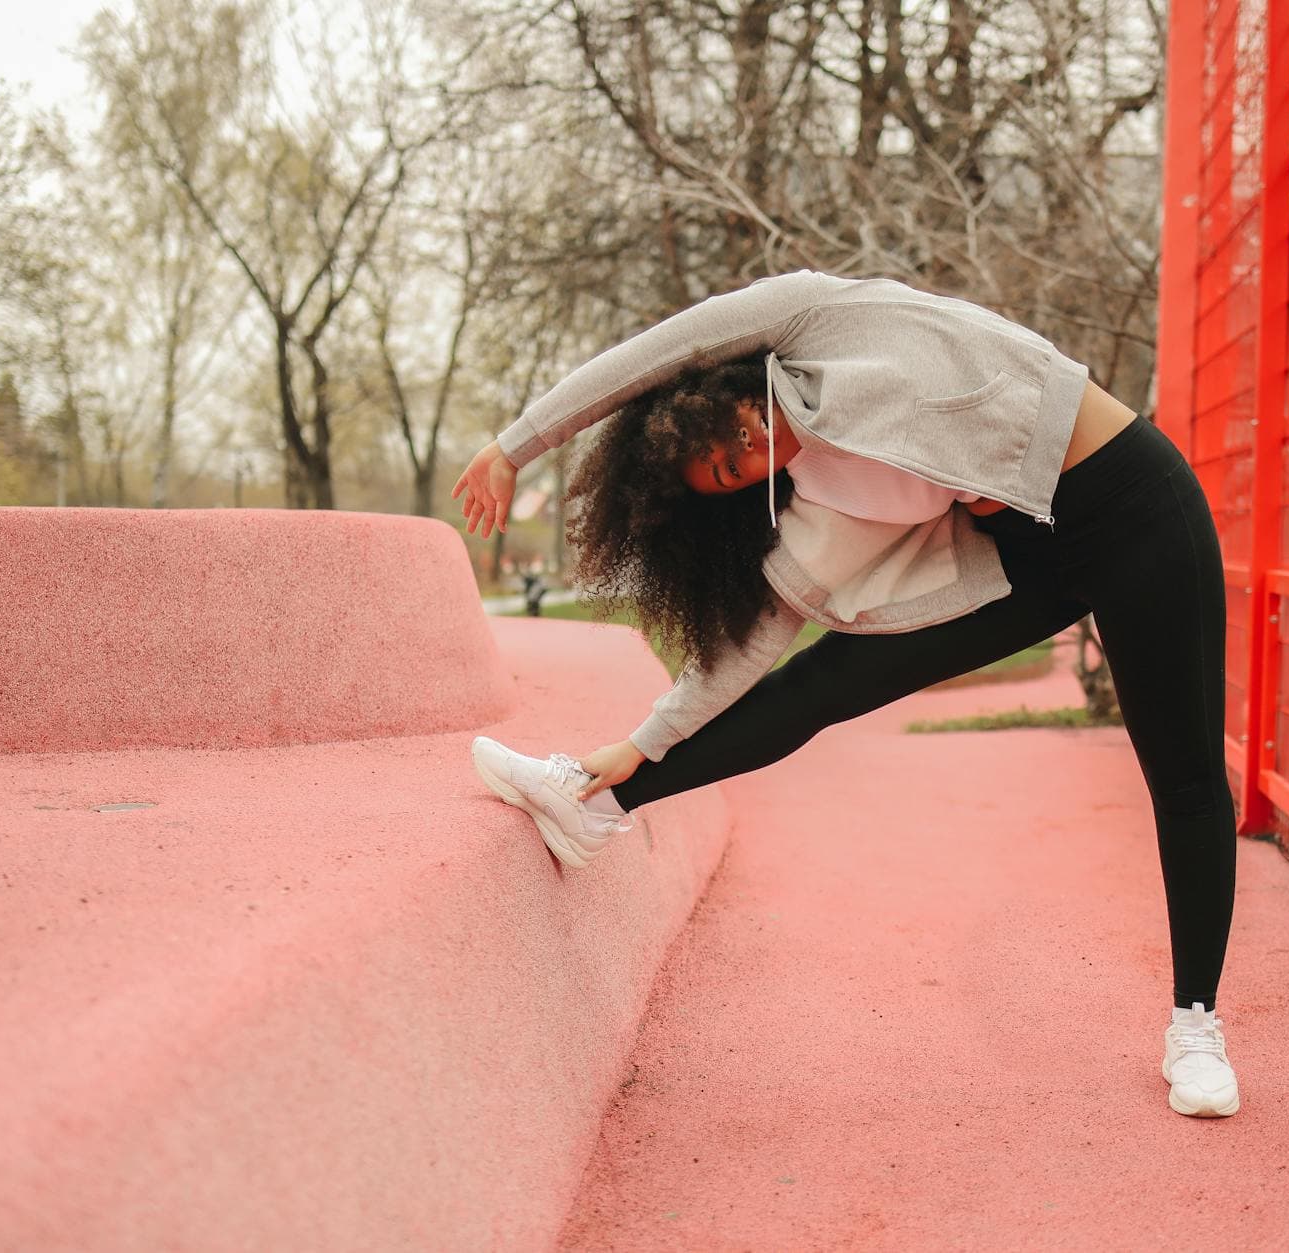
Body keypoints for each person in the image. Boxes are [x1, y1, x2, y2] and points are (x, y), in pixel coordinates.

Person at [452, 270, 1241, 1118]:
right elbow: (744, 647)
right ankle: (598, 804)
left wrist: (517, 444)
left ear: (715, 395)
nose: (748, 459)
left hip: (1134, 501)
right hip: (1025, 561)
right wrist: (643, 741)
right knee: (826, 682)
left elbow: (662, 348)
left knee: (1184, 775)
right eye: (729, 479)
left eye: (727, 448)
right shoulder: (821, 511)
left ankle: (1195, 1025)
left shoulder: (814, 315)